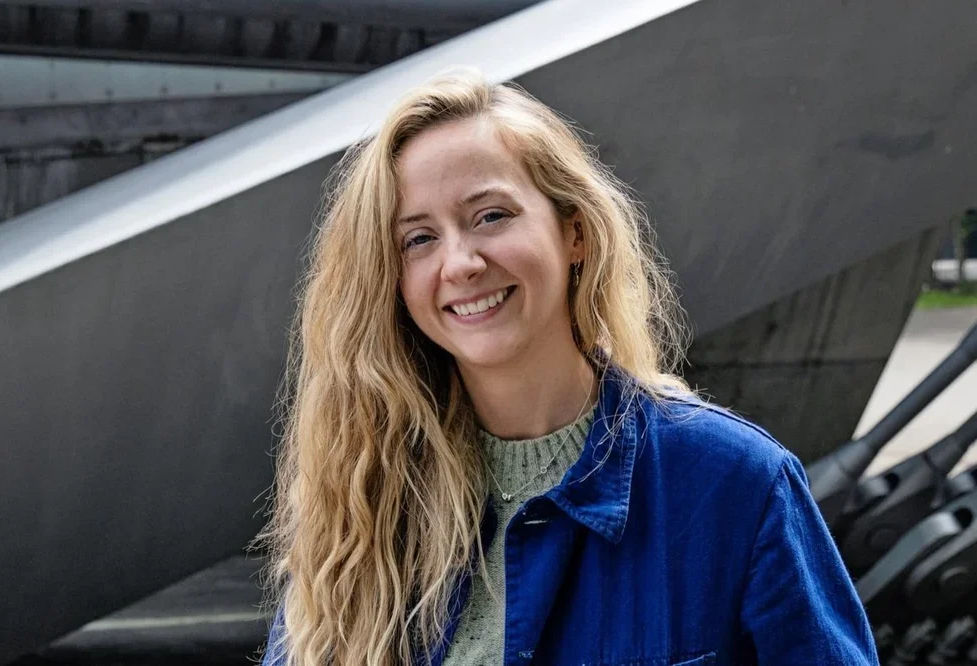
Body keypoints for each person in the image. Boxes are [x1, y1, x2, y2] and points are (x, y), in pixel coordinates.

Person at [256, 68, 879, 666]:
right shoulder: (364, 501)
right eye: (418, 239)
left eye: (491, 215)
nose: (461, 262)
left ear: (573, 232)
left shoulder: (736, 484)